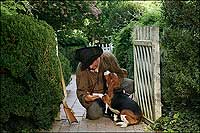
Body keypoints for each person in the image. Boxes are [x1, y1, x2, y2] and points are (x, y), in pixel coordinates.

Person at [75, 46, 134, 120]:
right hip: (96, 96)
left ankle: (120, 104)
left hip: (112, 89)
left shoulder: (108, 58)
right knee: (94, 114)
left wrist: (114, 82)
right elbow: (81, 92)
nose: (90, 67)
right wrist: (86, 98)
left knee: (130, 84)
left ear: (97, 58)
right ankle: (105, 108)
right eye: (87, 65)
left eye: (91, 63)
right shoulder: (81, 69)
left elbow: (120, 74)